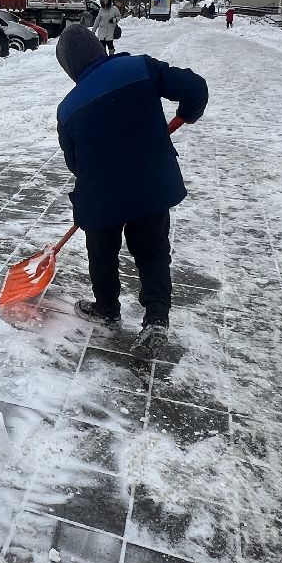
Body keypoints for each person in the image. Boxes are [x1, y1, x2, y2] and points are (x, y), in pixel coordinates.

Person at [54, 24, 208, 351]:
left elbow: (75, 162)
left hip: (102, 194)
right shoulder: (139, 67)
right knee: (153, 254)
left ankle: (107, 310)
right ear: (98, 48)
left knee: (102, 254)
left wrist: (101, 166)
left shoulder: (68, 109)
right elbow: (195, 88)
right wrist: (186, 114)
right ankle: (156, 319)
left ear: (70, 68)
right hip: (149, 184)